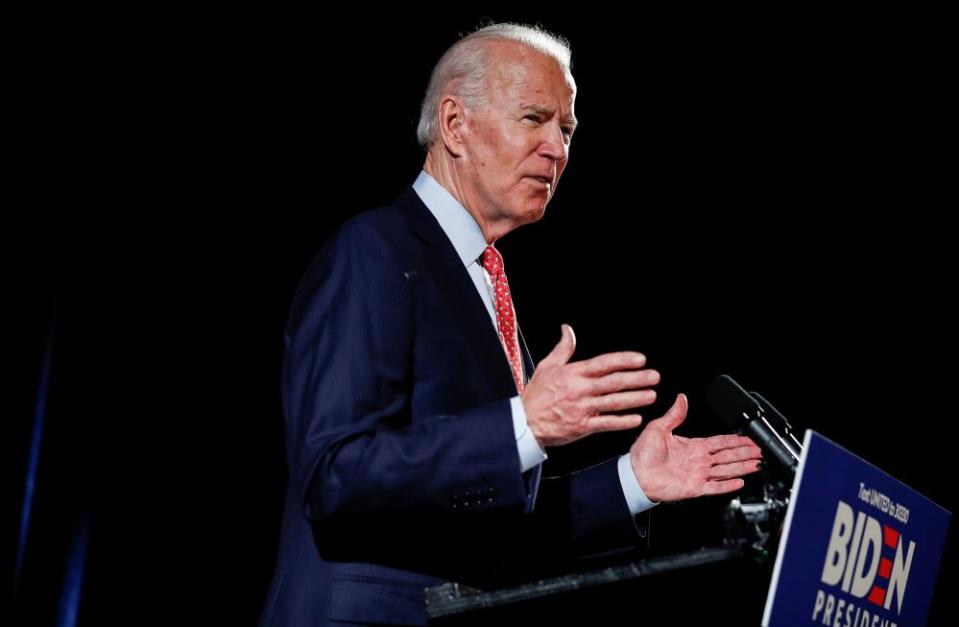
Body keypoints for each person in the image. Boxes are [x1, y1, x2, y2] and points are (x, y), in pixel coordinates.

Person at [260, 23, 762, 627]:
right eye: (534, 118)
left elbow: (492, 522)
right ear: (454, 126)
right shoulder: (375, 250)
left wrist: (634, 480)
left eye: (568, 129)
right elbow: (334, 474)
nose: (558, 148)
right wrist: (525, 423)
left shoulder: (480, 277)